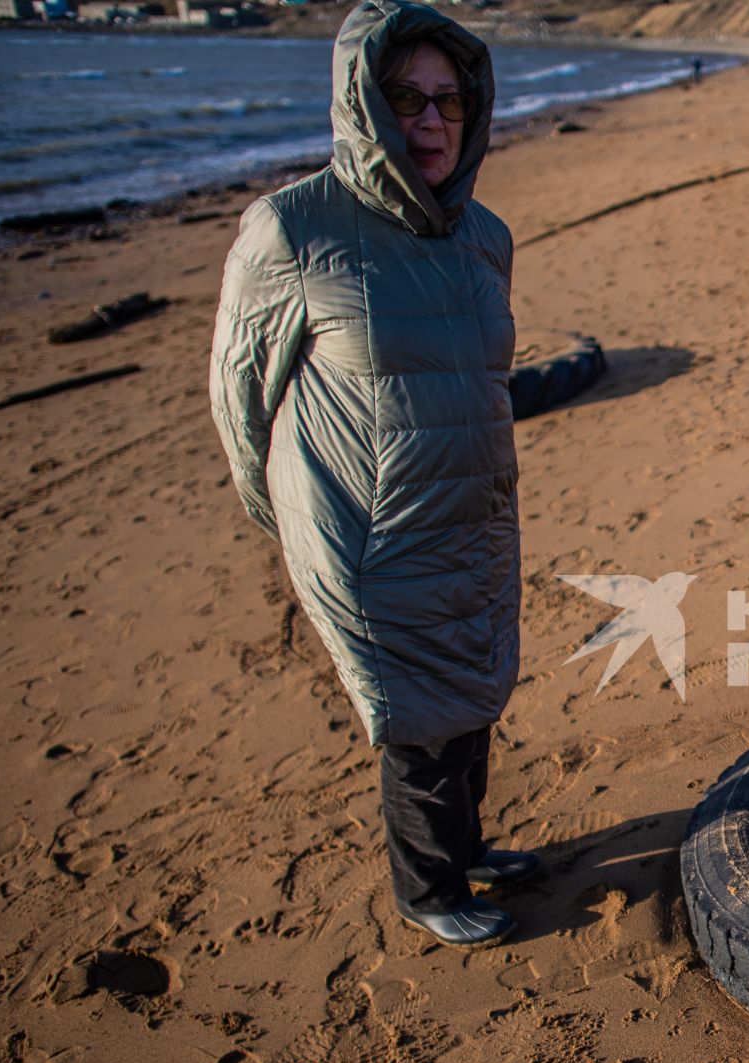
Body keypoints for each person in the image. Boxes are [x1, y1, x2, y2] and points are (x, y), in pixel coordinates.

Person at [210, 0, 531, 950]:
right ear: (363, 107)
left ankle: (466, 850)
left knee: (474, 696)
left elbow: (481, 379)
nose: (430, 123)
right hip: (370, 532)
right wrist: (298, 527)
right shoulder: (291, 228)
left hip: (475, 515)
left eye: (448, 102)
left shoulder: (485, 236)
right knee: (419, 725)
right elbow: (242, 398)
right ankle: (427, 888)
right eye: (405, 100)